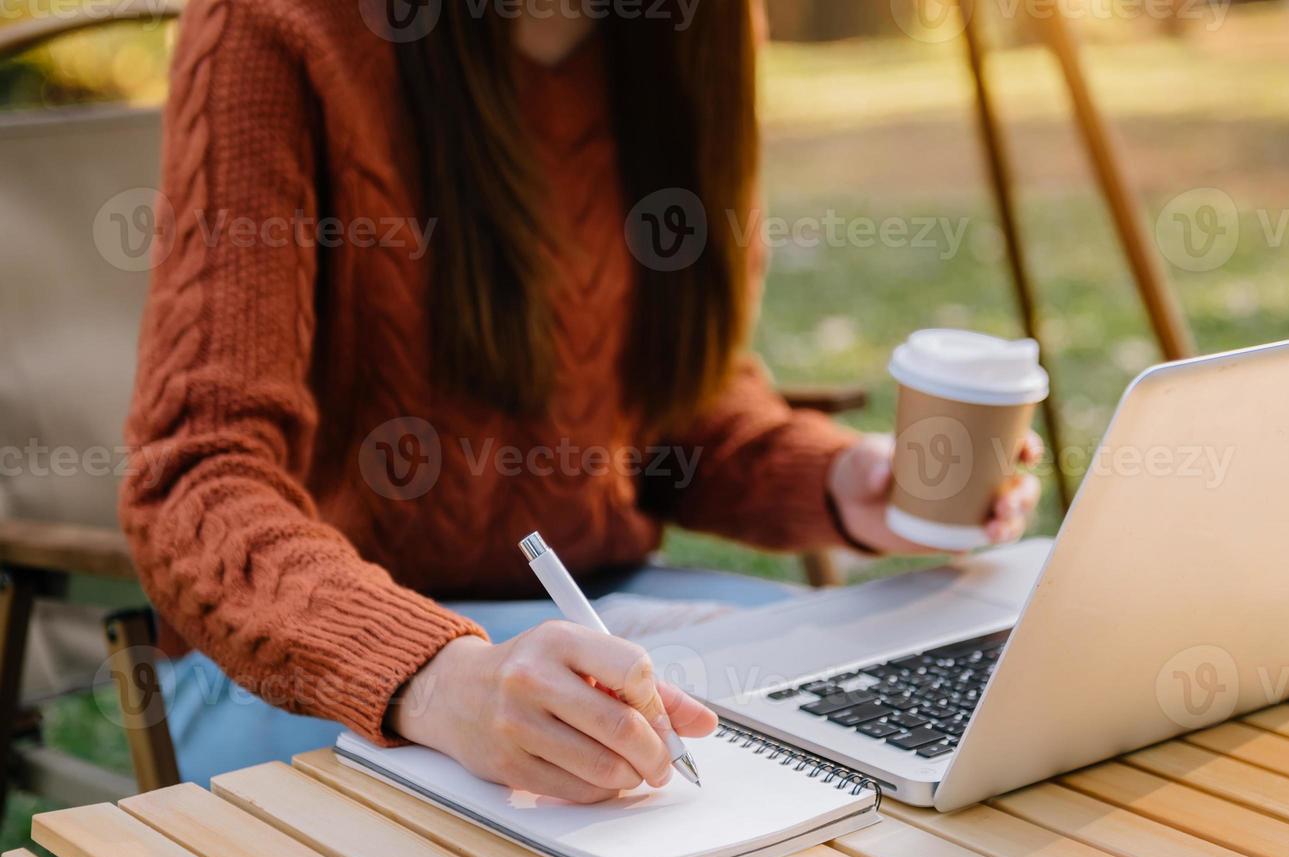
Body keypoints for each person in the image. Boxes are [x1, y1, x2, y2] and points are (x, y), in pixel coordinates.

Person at [121, 0, 1042, 797]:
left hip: (596, 615)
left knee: (913, 699)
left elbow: (673, 404)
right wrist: (442, 678)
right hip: (300, 678)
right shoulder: (280, 24)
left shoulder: (691, 32)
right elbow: (195, 482)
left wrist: (843, 481)